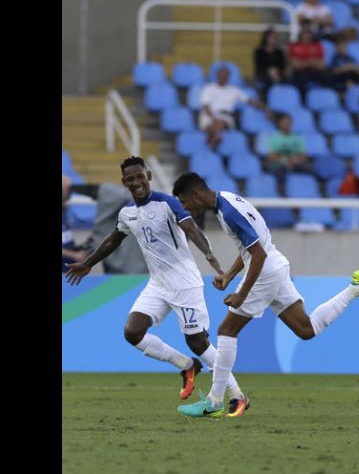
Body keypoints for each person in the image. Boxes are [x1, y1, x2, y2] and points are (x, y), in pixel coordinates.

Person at [171, 172, 359, 418]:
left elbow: (258, 255)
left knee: (227, 331)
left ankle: (214, 402)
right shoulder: (228, 199)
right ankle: (358, 286)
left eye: (184, 202)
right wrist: (229, 276)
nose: (185, 208)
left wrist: (241, 294)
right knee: (306, 329)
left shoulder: (228, 213)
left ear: (195, 195)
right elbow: (250, 249)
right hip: (276, 265)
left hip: (265, 270)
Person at [64, 157, 246, 414]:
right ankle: (186, 365)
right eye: (130, 179)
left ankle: (237, 396)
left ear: (148, 176)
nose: (136, 182)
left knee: (198, 342)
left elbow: (192, 228)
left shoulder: (166, 203)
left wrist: (210, 257)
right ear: (124, 182)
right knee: (133, 332)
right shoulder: (127, 213)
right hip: (158, 284)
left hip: (184, 284)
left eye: (140, 176)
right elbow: (111, 241)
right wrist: (88, 262)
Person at [199, 67, 267, 149]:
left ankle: (211, 138)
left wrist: (265, 108)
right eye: (222, 75)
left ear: (228, 77)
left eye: (226, 76)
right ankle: (215, 137)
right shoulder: (208, 88)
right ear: (217, 75)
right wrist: (214, 118)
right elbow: (206, 107)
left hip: (226, 117)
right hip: (210, 114)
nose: (224, 77)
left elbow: (250, 101)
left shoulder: (234, 90)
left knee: (221, 122)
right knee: (212, 122)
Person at [265, 113, 315, 183]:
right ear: (279, 124)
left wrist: (295, 161)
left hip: (296, 163)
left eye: (289, 122)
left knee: (310, 167)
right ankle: (283, 185)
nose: (287, 125)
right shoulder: (274, 138)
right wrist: (285, 161)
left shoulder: (298, 138)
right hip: (281, 163)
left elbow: (304, 156)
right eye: (285, 123)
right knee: (273, 168)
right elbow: (271, 156)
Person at [288, 24, 332, 99]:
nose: (306, 35)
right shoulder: (294, 45)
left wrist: (303, 62)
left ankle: (329, 99)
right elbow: (295, 64)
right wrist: (311, 62)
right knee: (297, 80)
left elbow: (321, 64)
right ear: (300, 34)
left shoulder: (317, 45)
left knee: (328, 76)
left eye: (308, 33)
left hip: (315, 71)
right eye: (304, 33)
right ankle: (302, 101)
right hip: (300, 72)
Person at [62, 175, 88, 272]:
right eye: (68, 188)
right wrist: (75, 255)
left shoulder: (64, 212)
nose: (70, 192)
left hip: (67, 270)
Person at [253, 28, 287, 97]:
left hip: (278, 75)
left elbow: (282, 66)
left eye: (275, 37)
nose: (273, 39)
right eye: (271, 37)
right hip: (263, 75)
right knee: (268, 84)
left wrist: (276, 71)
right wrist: (269, 71)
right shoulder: (259, 51)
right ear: (266, 38)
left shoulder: (279, 52)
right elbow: (259, 66)